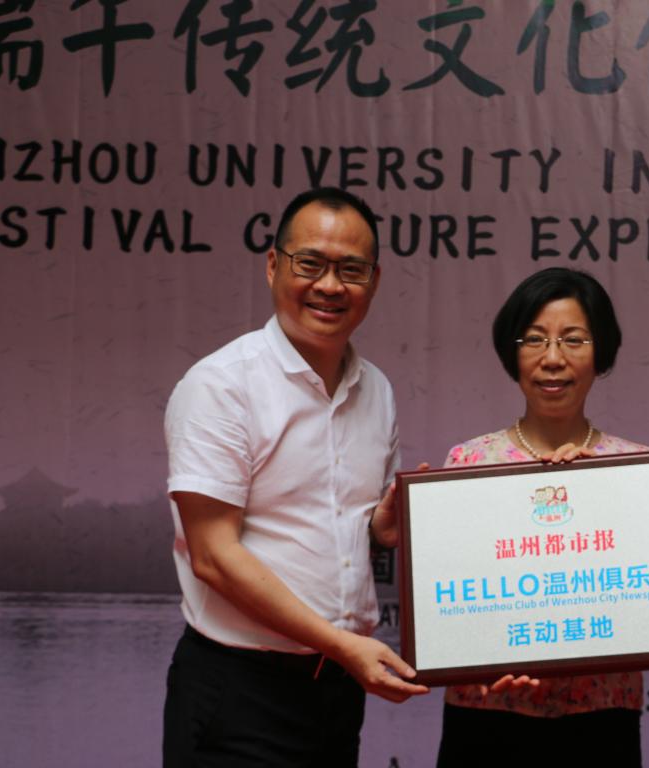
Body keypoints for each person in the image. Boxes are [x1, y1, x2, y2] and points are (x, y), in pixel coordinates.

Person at [162, 187, 428, 766]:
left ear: (374, 281)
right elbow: (213, 556)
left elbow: (341, 525)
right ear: (273, 265)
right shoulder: (221, 386)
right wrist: (344, 646)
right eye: (311, 263)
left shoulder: (376, 389)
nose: (330, 285)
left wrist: (381, 525)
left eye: (351, 270)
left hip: (335, 690)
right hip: (239, 690)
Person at [436, 267, 648, 768]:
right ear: (512, 353)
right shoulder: (468, 463)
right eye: (534, 340)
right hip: (485, 711)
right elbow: (447, 596)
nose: (553, 359)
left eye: (573, 340)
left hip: (601, 718)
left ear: (601, 352)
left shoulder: (636, 472)